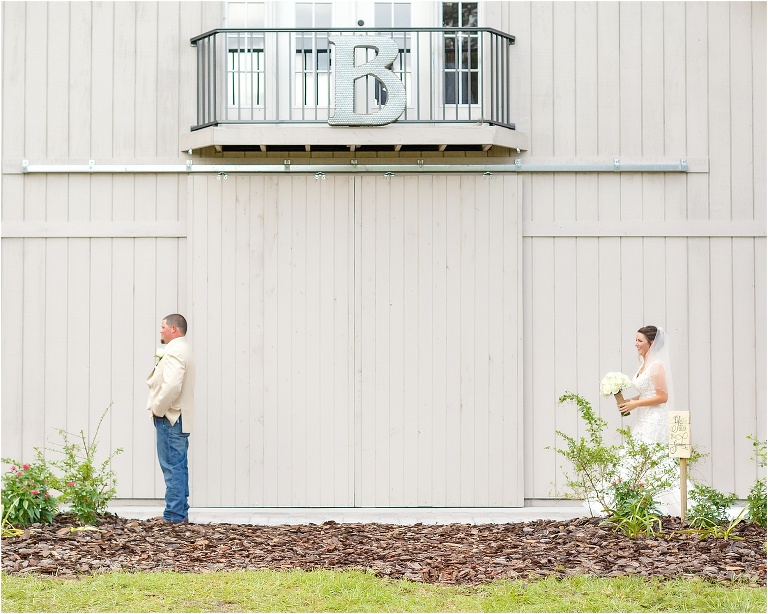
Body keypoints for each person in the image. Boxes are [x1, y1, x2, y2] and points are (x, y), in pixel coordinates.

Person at [617, 325, 684, 516]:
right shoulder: (644, 363)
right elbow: (648, 392)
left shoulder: (656, 366)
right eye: (636, 340)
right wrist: (630, 401)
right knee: (636, 455)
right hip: (644, 416)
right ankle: (634, 502)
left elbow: (663, 397)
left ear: (651, 343)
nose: (636, 344)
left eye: (640, 341)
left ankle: (663, 504)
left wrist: (636, 404)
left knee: (651, 457)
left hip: (655, 418)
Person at [146, 314, 195, 523]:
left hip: (171, 417)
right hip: (180, 417)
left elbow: (173, 385)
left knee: (172, 467)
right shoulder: (184, 349)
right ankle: (179, 512)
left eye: (163, 327)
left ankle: (174, 516)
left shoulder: (176, 351)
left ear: (173, 329)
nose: (161, 330)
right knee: (179, 466)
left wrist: (158, 409)